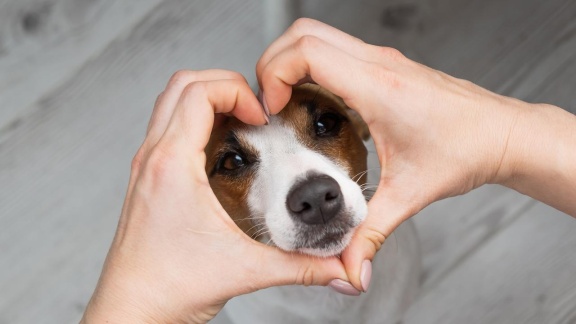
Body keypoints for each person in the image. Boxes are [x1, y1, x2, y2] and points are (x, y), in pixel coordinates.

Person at [81, 19, 576, 323]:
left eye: (324, 123)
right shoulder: (237, 302)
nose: (309, 190)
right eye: (232, 163)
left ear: (364, 125)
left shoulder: (400, 251)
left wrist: (505, 139)